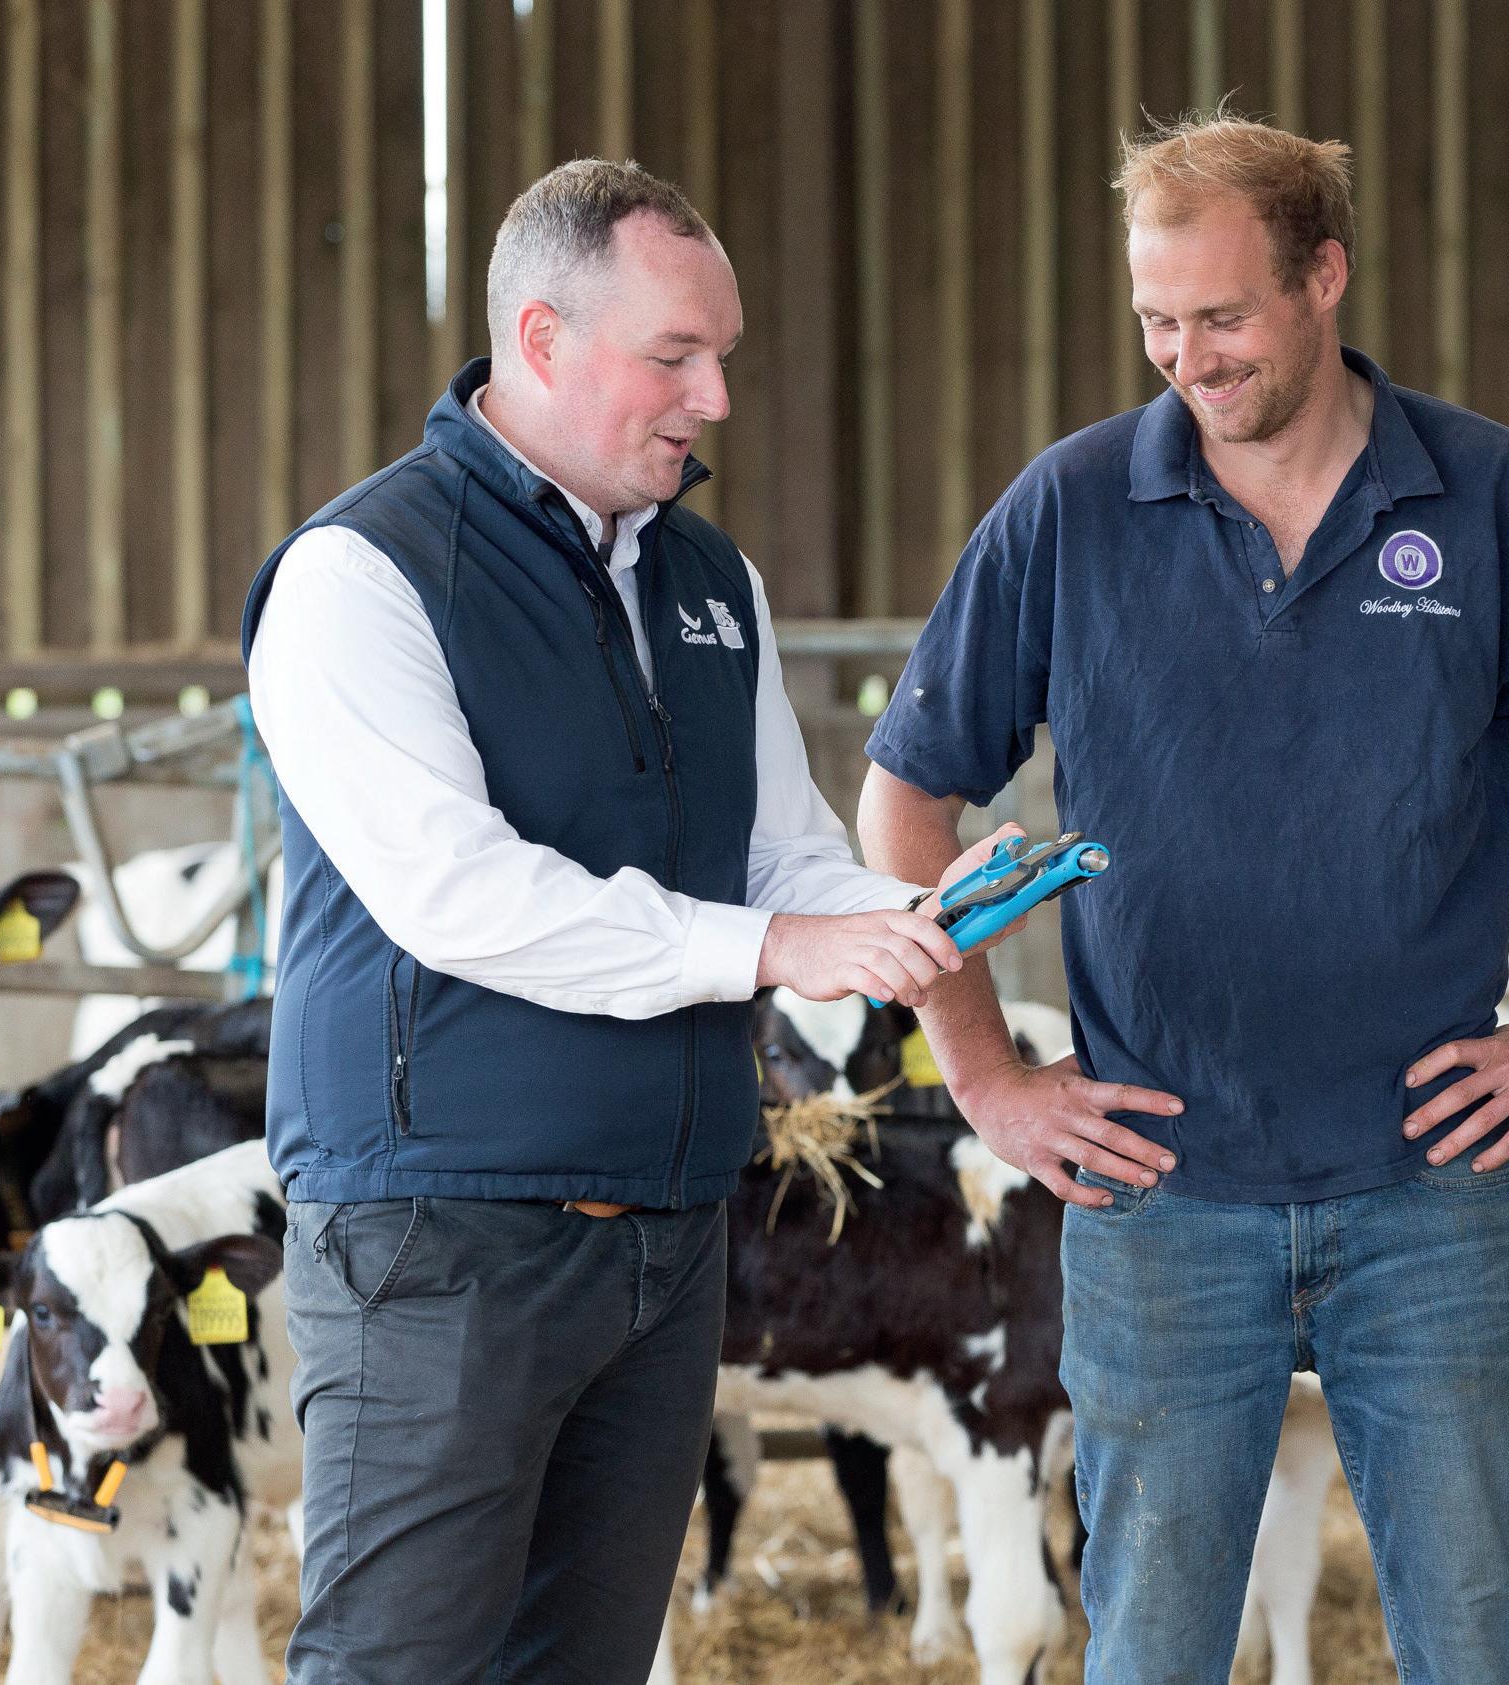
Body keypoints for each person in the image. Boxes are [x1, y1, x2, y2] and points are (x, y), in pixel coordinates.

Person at [857, 115, 1509, 1681]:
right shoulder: (1072, 508)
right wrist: (982, 1074)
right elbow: (905, 793)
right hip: (1160, 1191)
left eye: (1222, 314)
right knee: (1151, 1647)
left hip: (1430, 1186)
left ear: (1323, 276)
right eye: (1156, 319)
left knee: (1475, 1644)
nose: (1184, 357)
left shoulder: (1477, 493)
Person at [241, 159, 1006, 1684]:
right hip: (442, 1231)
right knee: (401, 1664)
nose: (713, 397)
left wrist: (920, 905)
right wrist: (773, 951)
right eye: (675, 355)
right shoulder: (362, 573)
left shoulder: (709, 578)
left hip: (665, 1234)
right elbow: (456, 892)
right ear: (540, 339)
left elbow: (777, 855)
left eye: (721, 354)